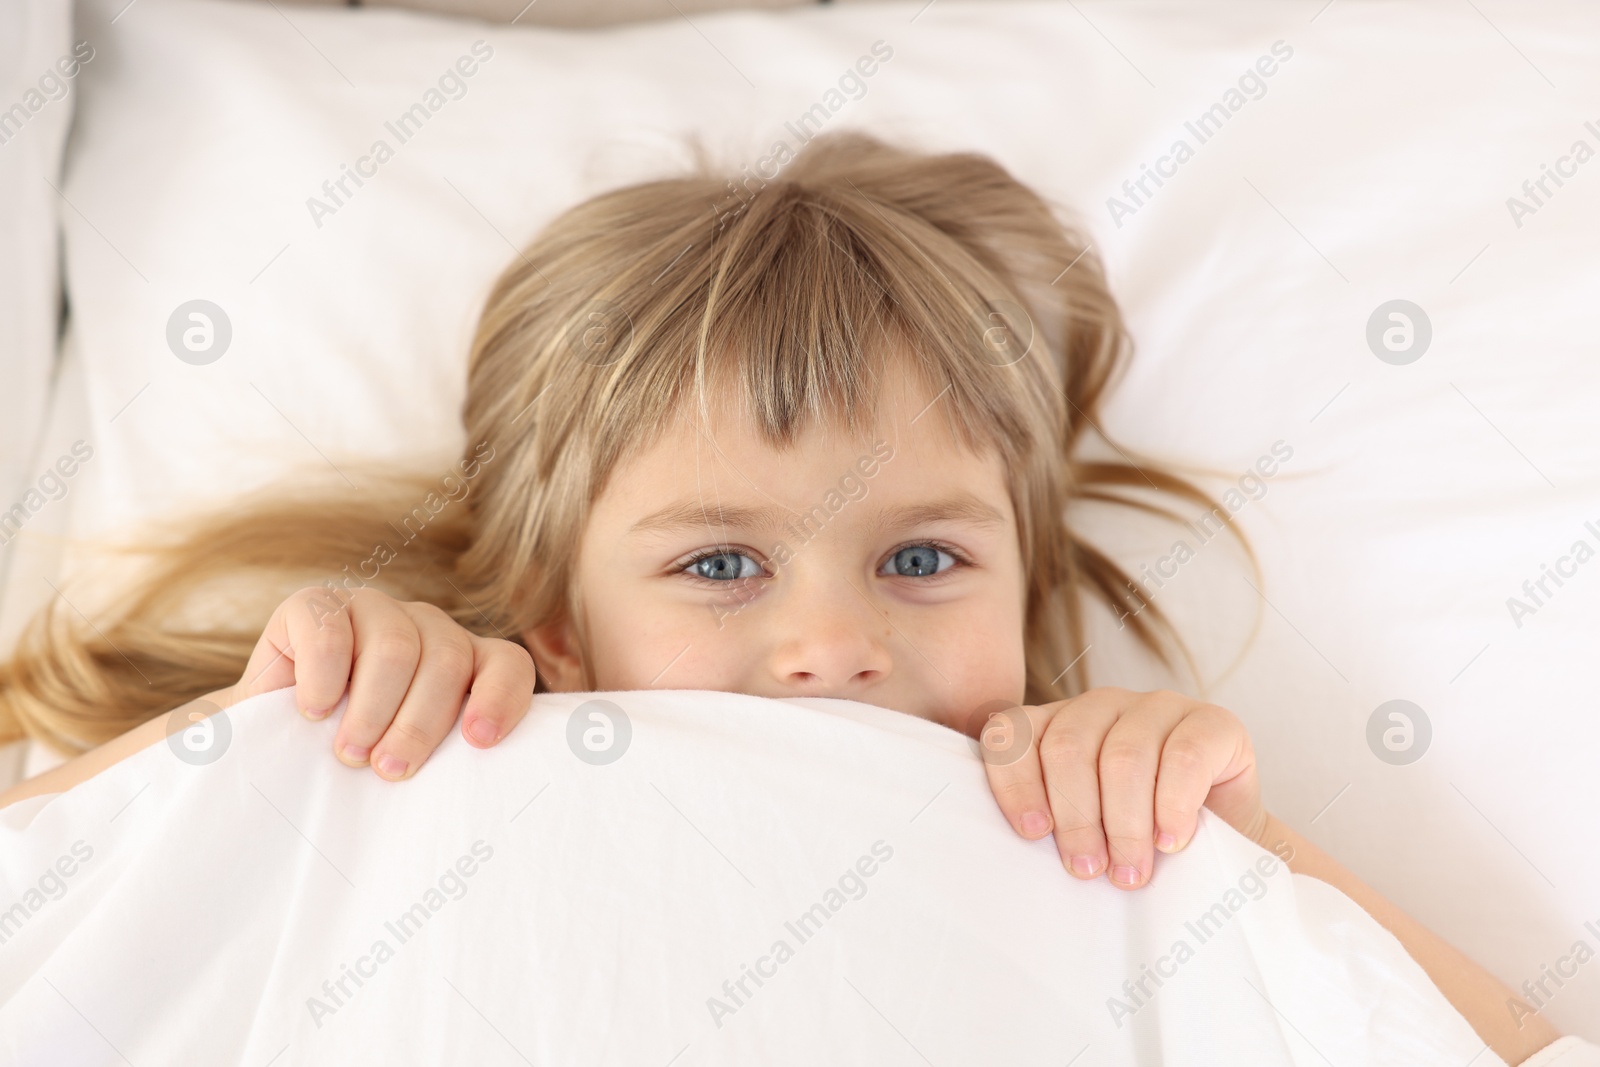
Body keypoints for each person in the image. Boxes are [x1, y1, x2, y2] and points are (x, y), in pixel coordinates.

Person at [0, 132, 1565, 1062]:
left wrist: (1241, 835)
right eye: (720, 564)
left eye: (923, 559)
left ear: (1023, 592)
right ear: (555, 618)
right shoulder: (387, 766)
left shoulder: (1110, 837)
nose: (831, 644)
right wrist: (248, 728)